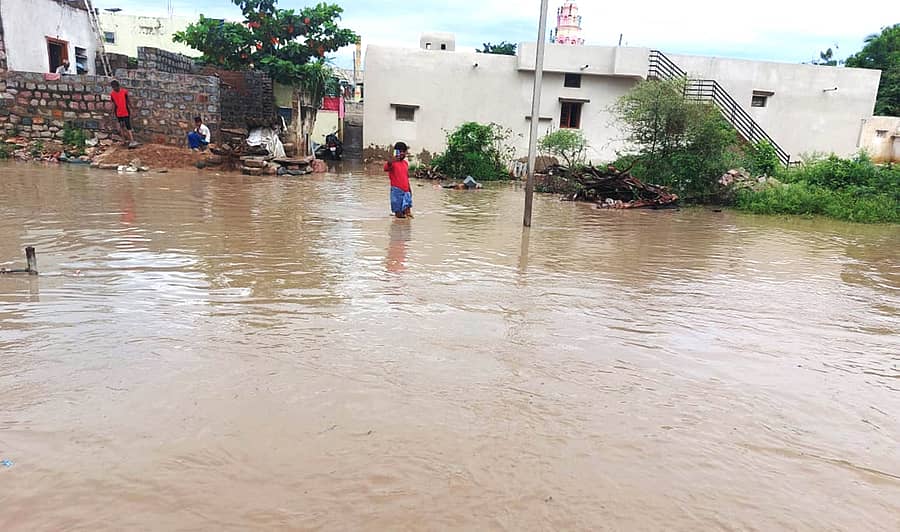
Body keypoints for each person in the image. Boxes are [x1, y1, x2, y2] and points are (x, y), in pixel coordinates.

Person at [384, 141, 413, 218]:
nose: (402, 153)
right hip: (396, 191)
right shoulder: (392, 163)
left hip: (406, 191)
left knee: (408, 214)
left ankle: (407, 228)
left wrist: (409, 190)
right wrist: (391, 161)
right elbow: (386, 168)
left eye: (404, 151)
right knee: (399, 215)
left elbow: (406, 177)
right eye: (400, 151)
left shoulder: (405, 163)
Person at [109, 80, 136, 146]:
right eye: (113, 87)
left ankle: (132, 140)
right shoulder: (112, 94)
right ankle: (123, 140)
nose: (114, 89)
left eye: (115, 87)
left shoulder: (124, 92)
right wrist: (112, 112)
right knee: (121, 126)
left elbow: (128, 101)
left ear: (118, 86)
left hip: (125, 111)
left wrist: (132, 108)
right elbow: (114, 103)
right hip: (118, 112)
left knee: (128, 126)